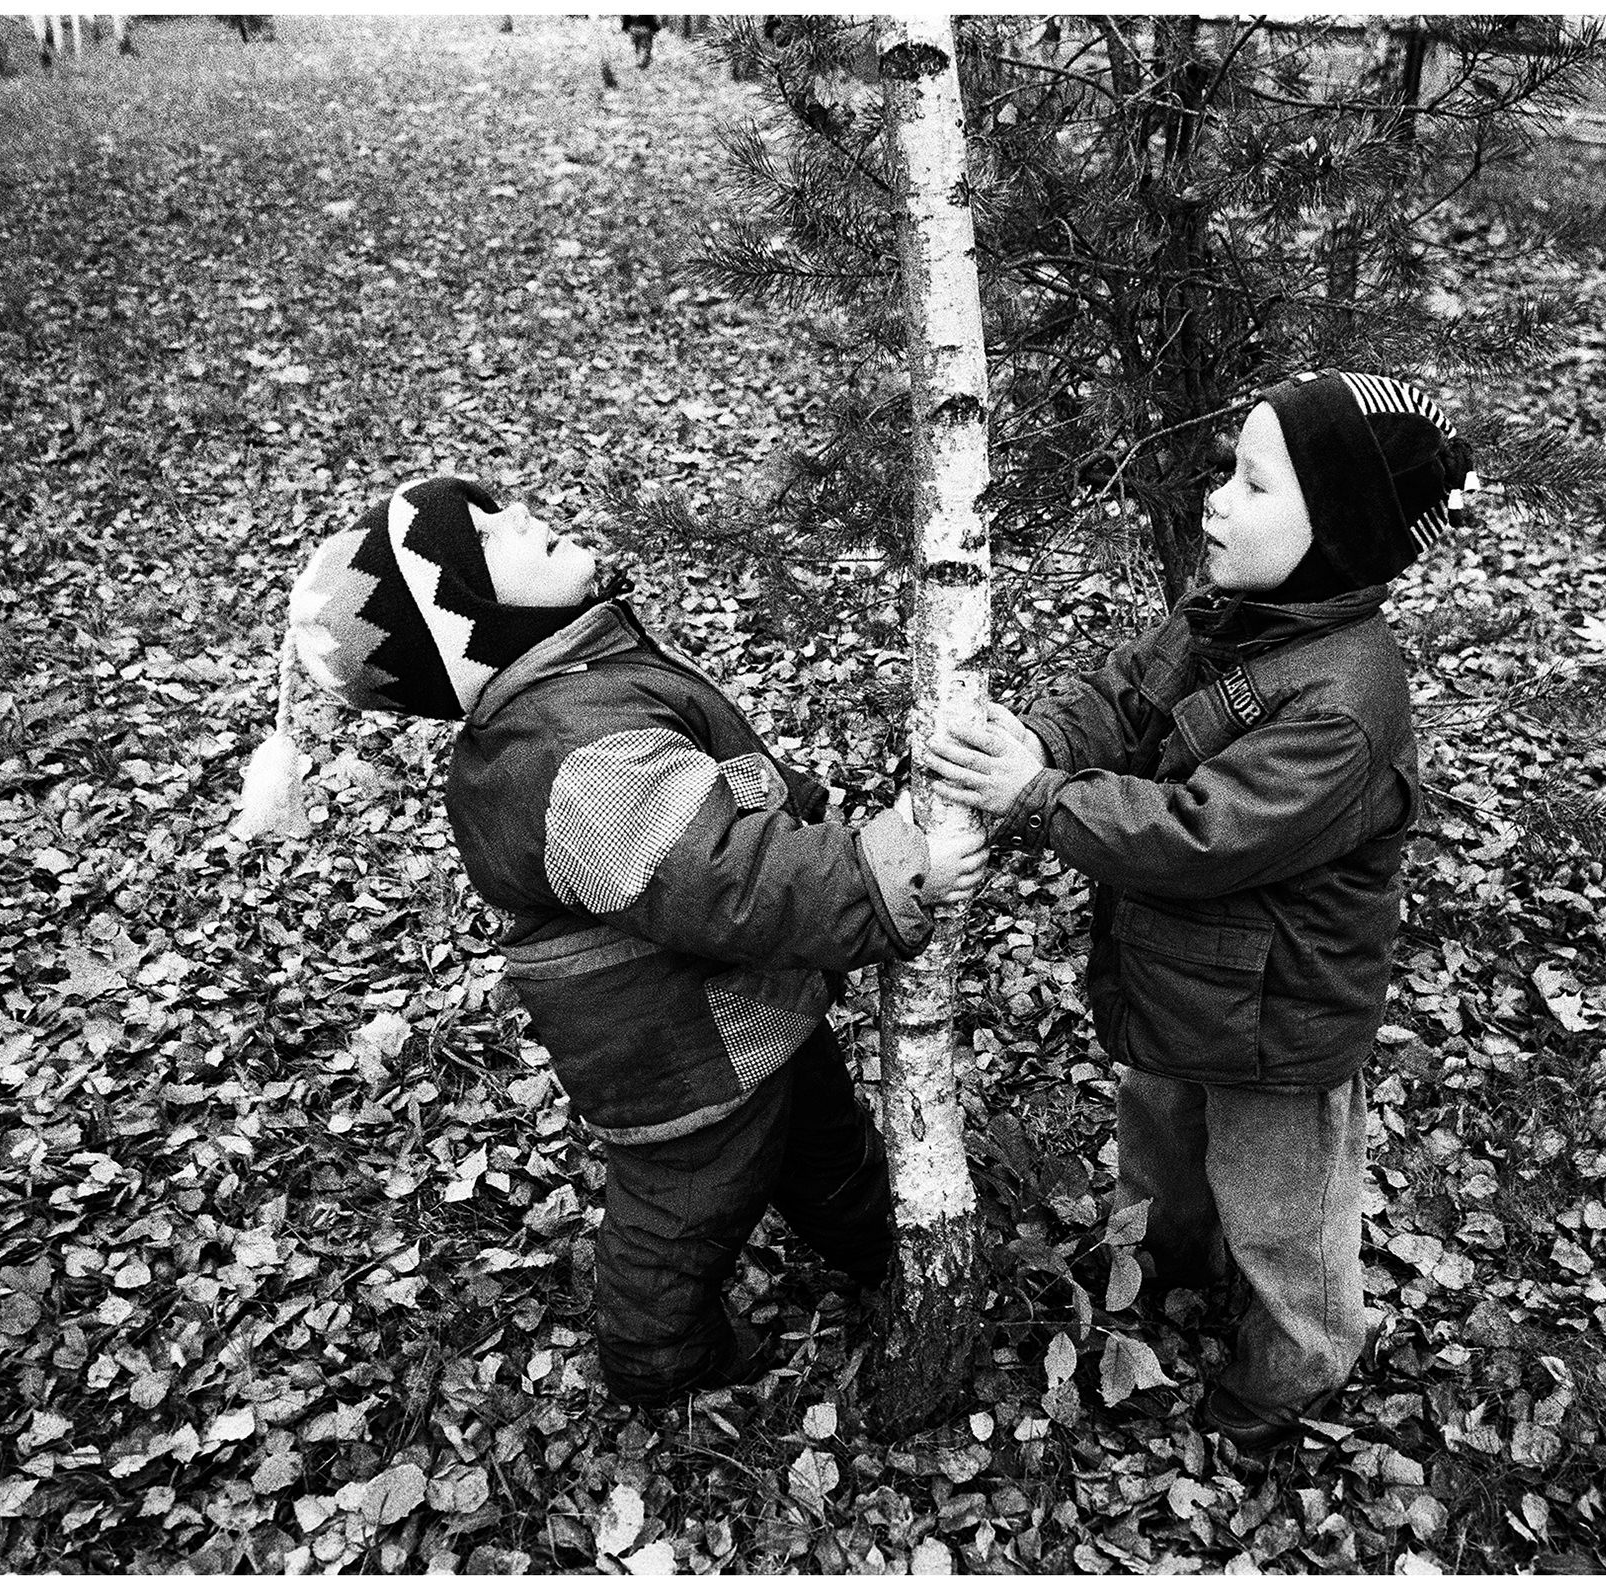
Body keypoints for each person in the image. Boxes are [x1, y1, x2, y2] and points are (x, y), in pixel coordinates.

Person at [251, 475, 987, 1406]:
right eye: (485, 535)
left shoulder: (579, 681)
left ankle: (885, 1248)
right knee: (684, 1208)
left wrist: (813, 815)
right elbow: (721, 876)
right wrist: (886, 874)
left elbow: (718, 784)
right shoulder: (568, 753)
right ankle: (659, 1359)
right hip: (681, 1044)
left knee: (822, 1141)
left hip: (746, 1009)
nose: (519, 511)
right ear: (466, 618)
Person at [922, 371, 1475, 1455]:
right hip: (1184, 979)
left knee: (1282, 1208)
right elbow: (1128, 695)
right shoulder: (1225, 610)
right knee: (1162, 1139)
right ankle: (1164, 1262)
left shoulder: (1345, 702)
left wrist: (1035, 801)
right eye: (1229, 469)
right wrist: (1043, 743)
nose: (1217, 499)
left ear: (1338, 536)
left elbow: (1201, 832)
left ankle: (1297, 1364)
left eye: (1253, 484)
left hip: (1280, 1015)